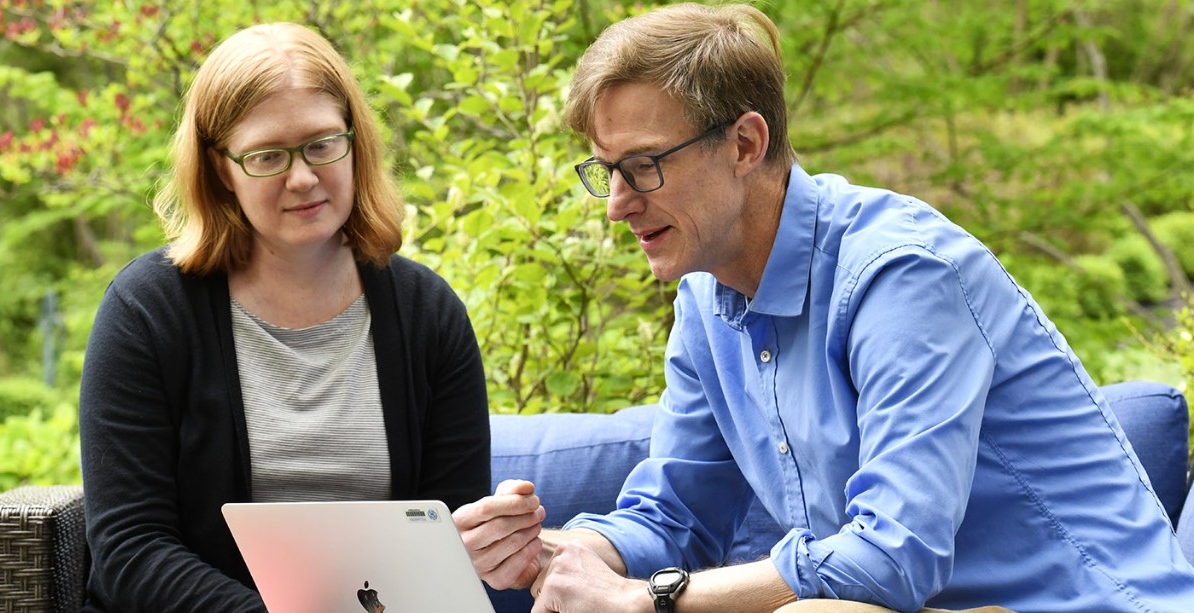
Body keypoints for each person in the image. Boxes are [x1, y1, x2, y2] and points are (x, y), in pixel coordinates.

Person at [452, 4, 1194, 612]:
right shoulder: (707, 299)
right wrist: (565, 553)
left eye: (643, 167)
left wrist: (650, 599)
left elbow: (891, 559)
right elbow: (675, 514)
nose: (616, 206)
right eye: (606, 171)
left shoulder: (901, 276)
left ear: (745, 143)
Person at [79, 22, 490, 611]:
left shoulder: (428, 313)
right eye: (267, 156)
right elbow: (130, 549)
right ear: (222, 170)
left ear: (355, 142)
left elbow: (448, 536)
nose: (303, 178)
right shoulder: (146, 312)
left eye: (322, 144)